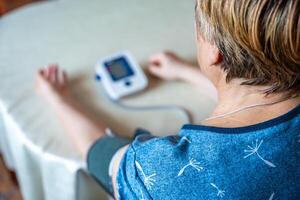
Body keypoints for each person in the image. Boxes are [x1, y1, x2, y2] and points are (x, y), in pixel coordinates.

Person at [35, 0, 300, 199]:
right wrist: (185, 72)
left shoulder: (163, 173)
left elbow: (101, 155)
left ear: (214, 52)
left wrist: (59, 99)